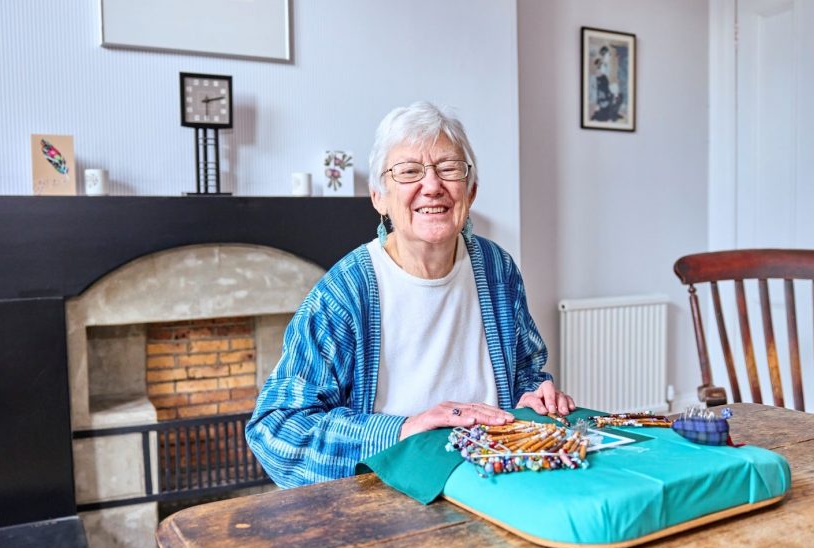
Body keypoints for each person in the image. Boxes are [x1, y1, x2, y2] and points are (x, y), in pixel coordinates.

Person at [246, 102, 574, 487]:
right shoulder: (345, 291)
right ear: (379, 197)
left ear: (471, 191)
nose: (432, 186)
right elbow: (276, 430)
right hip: (391, 494)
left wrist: (534, 396)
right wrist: (404, 430)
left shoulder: (497, 269)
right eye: (409, 172)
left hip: (493, 482)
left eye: (448, 168)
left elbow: (526, 374)